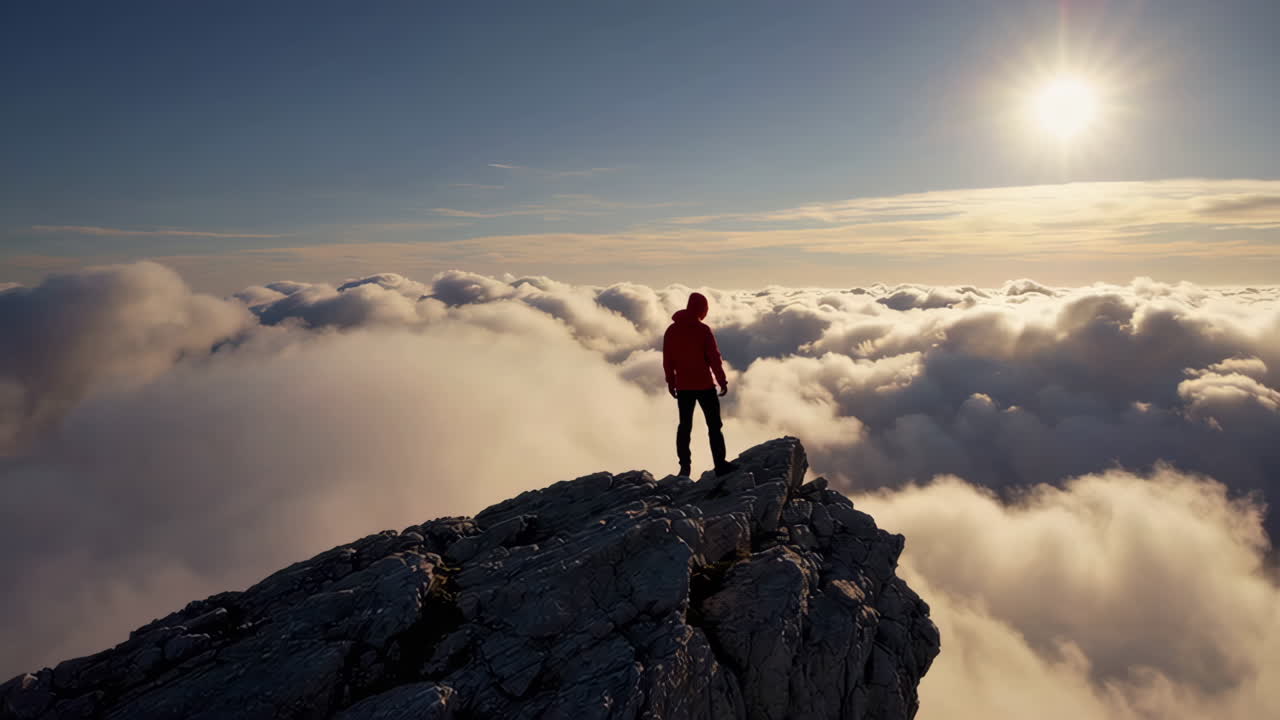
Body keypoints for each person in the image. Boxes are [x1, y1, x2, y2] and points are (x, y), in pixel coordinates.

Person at [662, 292, 740, 478]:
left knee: (684, 426)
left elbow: (668, 360)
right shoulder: (703, 330)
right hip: (704, 385)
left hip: (683, 386)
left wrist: (671, 382)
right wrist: (721, 381)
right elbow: (714, 358)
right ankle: (720, 465)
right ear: (701, 309)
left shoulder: (671, 331)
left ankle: (685, 468)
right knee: (714, 426)